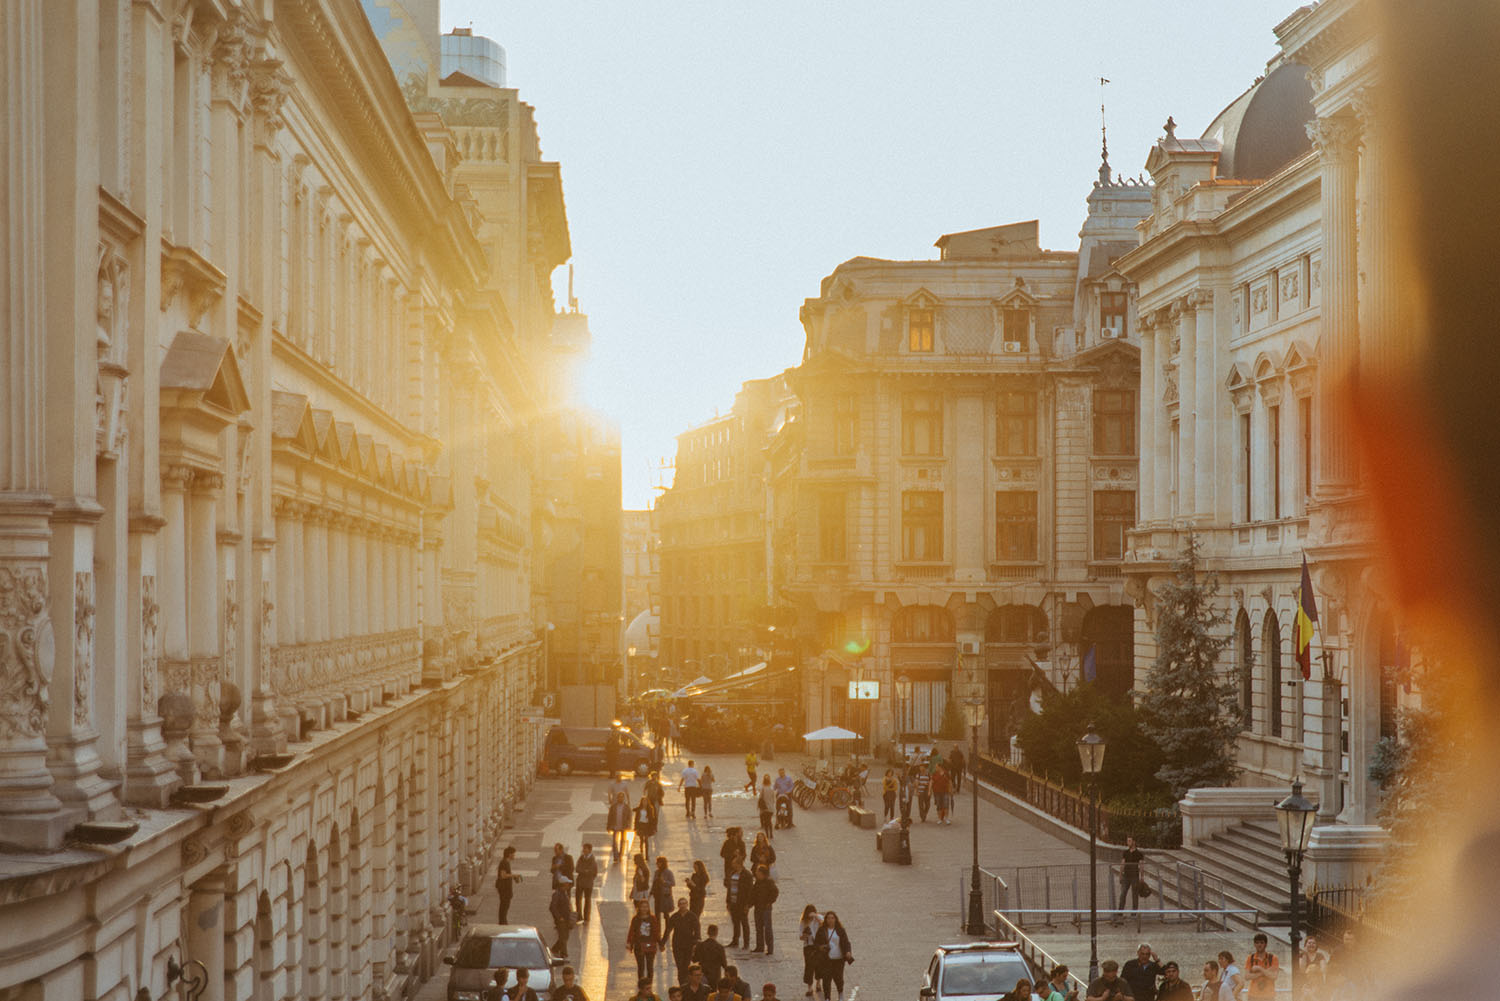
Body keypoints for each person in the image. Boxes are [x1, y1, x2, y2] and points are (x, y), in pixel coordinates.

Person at [812, 911, 852, 1001]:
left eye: (832, 918)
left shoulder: (840, 930)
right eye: (828, 918)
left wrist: (848, 951)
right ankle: (827, 998)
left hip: (839, 959)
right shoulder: (821, 930)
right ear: (825, 919)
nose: (830, 920)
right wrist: (820, 947)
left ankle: (840, 993)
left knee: (839, 978)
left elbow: (846, 942)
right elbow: (816, 944)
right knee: (826, 979)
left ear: (835, 919)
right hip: (826, 959)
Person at [663, 896, 702, 984]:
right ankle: (682, 983)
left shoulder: (692, 916)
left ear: (687, 905)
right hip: (677, 944)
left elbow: (697, 929)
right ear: (678, 905)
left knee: (686, 965)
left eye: (684, 903)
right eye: (681, 904)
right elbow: (668, 930)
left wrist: (697, 941)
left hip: (688, 944)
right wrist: (662, 943)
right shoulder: (674, 917)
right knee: (680, 966)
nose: (683, 906)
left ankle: (685, 983)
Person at [627, 898, 661, 983]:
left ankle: (649, 984)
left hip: (650, 945)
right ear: (639, 908)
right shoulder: (635, 919)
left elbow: (656, 931)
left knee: (650, 966)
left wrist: (660, 943)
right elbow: (632, 931)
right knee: (641, 967)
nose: (644, 909)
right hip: (639, 945)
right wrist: (629, 943)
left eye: (646, 907)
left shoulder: (652, 918)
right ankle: (642, 984)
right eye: (642, 907)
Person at [724, 856, 753, 949]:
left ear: (739, 864)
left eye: (734, 863)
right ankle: (735, 940)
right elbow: (729, 888)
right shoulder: (732, 873)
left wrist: (747, 905)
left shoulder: (747, 875)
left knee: (744, 923)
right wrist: (728, 901)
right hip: (733, 902)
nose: (732, 865)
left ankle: (746, 942)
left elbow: (749, 891)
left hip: (742, 903)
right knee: (735, 922)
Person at [1115, 837, 1145, 920]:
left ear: (1134, 842)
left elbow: (1141, 865)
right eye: (1127, 840)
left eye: (1129, 841)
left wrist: (1141, 876)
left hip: (1135, 876)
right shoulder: (1125, 852)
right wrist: (1120, 875)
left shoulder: (1139, 853)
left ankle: (1134, 913)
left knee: (1134, 895)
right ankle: (1120, 912)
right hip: (1126, 876)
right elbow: (1122, 864)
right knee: (1123, 894)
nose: (1128, 842)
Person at [751, 865, 778, 955]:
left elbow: (775, 892)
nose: (756, 874)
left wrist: (769, 902)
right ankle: (760, 947)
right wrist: (750, 904)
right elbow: (753, 895)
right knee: (758, 928)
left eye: (758, 872)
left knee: (768, 929)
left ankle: (770, 949)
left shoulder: (769, 883)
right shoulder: (757, 883)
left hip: (766, 909)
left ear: (763, 874)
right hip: (758, 908)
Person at [1243, 934, 1279, 1001]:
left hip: (1269, 995)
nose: (1259, 945)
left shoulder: (1273, 958)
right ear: (1254, 944)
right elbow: (1247, 976)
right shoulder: (1250, 958)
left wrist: (1260, 969)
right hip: (1253, 995)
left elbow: (1274, 976)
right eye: (1257, 942)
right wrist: (1266, 972)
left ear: (1266, 944)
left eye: (1261, 942)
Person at [692, 927, 727, 992]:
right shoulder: (720, 947)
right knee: (713, 994)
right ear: (716, 933)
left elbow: (694, 960)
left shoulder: (701, 945)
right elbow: (724, 964)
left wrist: (693, 950)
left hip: (703, 974)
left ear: (707, 933)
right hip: (715, 975)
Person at [798, 905, 820, 998]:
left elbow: (823, 922)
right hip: (808, 946)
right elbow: (800, 937)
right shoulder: (803, 922)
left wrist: (815, 916)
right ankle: (810, 988)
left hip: (818, 946)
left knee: (819, 965)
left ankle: (819, 983)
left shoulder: (817, 920)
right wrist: (805, 935)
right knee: (809, 967)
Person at [549, 876, 573, 958]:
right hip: (561, 920)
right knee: (563, 937)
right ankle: (564, 953)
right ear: (563, 885)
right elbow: (552, 907)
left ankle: (554, 949)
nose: (568, 886)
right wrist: (559, 917)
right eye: (567, 884)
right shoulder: (557, 894)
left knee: (565, 936)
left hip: (565, 918)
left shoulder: (564, 893)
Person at [495, 845, 520, 923]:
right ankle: (502, 922)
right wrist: (514, 875)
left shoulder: (506, 862)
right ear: (509, 854)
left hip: (506, 889)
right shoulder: (504, 862)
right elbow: (503, 875)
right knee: (504, 906)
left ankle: (503, 921)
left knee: (505, 906)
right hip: (504, 889)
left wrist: (513, 877)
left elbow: (506, 874)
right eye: (513, 854)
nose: (514, 856)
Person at [574, 843, 598, 922]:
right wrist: (585, 871)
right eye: (583, 848)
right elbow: (577, 868)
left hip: (588, 883)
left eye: (585, 849)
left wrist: (584, 871)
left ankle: (586, 917)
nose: (583, 850)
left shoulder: (592, 860)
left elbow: (593, 872)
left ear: (589, 850)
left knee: (587, 900)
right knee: (578, 899)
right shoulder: (581, 858)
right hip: (580, 882)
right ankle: (579, 915)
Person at [652, 855, 677, 923]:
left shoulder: (668, 872)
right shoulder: (656, 872)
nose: (657, 864)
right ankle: (658, 930)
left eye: (659, 863)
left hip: (665, 895)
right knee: (657, 914)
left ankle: (667, 929)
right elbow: (654, 882)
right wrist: (652, 891)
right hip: (657, 895)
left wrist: (664, 882)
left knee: (666, 914)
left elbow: (673, 883)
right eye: (657, 863)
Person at [634, 794, 659, 860]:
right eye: (643, 801)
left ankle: (647, 855)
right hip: (640, 825)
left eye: (645, 801)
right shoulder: (639, 809)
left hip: (647, 825)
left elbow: (653, 819)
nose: (644, 803)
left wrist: (653, 828)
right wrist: (635, 827)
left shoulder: (650, 809)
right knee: (641, 840)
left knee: (646, 840)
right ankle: (641, 850)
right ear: (641, 802)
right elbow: (636, 819)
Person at [608, 791, 632, 857]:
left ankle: (620, 854)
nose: (620, 799)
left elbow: (629, 817)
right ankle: (615, 855)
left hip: (623, 826)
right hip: (615, 826)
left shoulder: (627, 807)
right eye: (619, 797)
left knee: (622, 841)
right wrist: (608, 826)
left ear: (624, 798)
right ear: (617, 798)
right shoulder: (613, 807)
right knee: (614, 842)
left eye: (622, 797)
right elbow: (610, 816)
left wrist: (629, 825)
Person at [757, 775, 776, 840]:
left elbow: (760, 798)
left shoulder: (763, 788)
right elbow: (774, 799)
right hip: (771, 808)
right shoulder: (772, 788)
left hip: (765, 808)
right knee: (769, 821)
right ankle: (771, 834)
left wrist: (759, 806)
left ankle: (767, 835)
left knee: (766, 821)